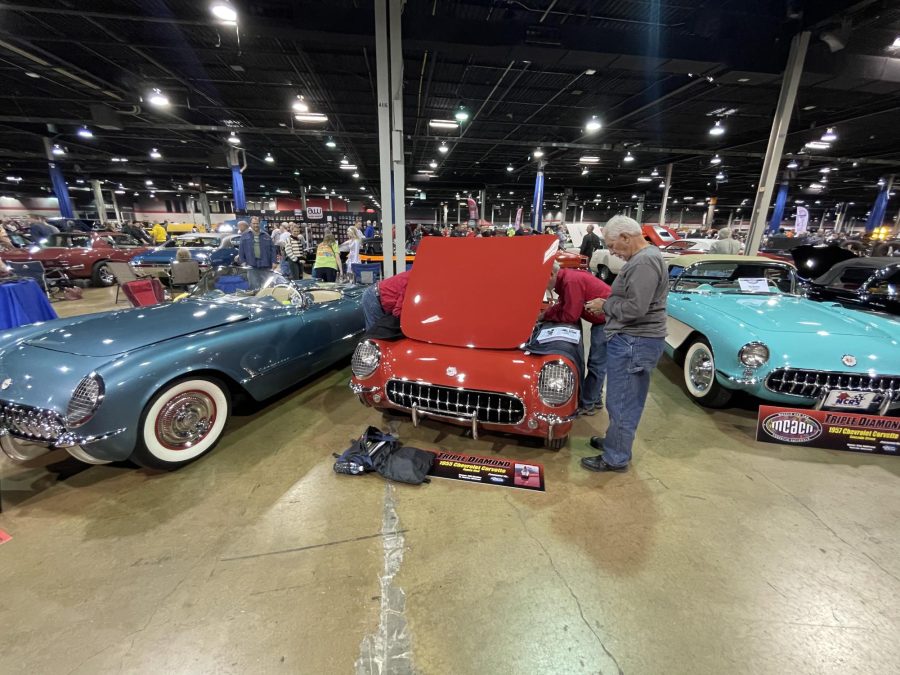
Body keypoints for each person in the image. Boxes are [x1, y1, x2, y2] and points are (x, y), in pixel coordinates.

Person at [582, 215, 668, 472]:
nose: (612, 252)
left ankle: (615, 456)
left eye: (612, 246)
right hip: (635, 340)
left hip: (635, 341)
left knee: (622, 401)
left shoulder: (644, 262)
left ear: (625, 237)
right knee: (622, 398)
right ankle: (615, 442)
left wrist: (604, 305)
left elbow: (636, 308)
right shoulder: (645, 258)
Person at [542, 263, 612, 416]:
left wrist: (547, 317)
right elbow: (563, 304)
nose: (543, 287)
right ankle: (595, 399)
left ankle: (587, 404)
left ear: (551, 275)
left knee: (597, 364)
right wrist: (545, 314)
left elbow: (570, 315)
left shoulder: (570, 281)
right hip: (603, 319)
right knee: (597, 363)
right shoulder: (567, 278)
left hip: (608, 321)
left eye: (542, 282)